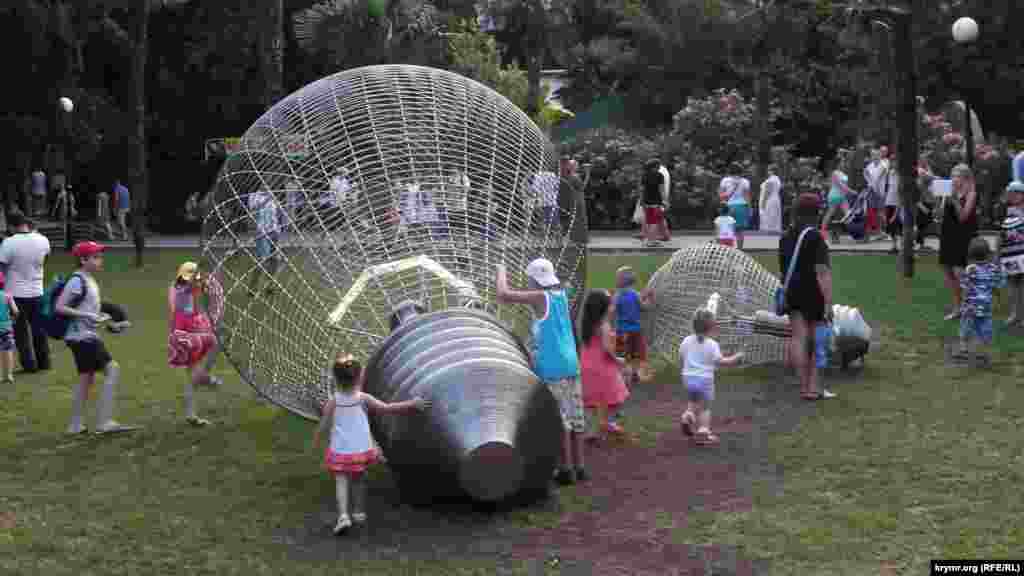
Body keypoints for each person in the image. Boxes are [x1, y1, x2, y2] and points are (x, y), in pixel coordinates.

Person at [312, 353, 428, 535]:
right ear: (359, 378)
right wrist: (411, 404)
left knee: (341, 480)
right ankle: (358, 512)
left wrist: (316, 440)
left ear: (335, 379)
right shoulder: (363, 398)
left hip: (340, 450)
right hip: (360, 449)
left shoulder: (334, 401)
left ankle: (343, 515)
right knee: (358, 479)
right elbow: (387, 408)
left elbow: (324, 424)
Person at [495, 259, 586, 485]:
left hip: (552, 367)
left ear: (534, 280)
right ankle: (580, 467)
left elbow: (503, 294)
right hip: (571, 363)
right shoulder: (561, 296)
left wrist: (501, 271)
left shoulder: (539, 297)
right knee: (576, 417)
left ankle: (564, 470)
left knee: (561, 419)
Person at [59, 241, 138, 436]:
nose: (100, 260)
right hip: (82, 337)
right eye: (95, 257)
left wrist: (111, 323)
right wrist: (89, 317)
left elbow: (89, 310)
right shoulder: (77, 280)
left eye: (100, 256)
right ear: (83, 260)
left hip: (83, 335)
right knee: (113, 369)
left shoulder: (89, 280)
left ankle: (76, 425)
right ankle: (105, 422)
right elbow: (60, 307)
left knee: (86, 379)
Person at [779, 193, 835, 401]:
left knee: (798, 338)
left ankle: (803, 387)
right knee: (817, 341)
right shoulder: (815, 236)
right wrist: (828, 301)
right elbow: (822, 271)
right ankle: (815, 388)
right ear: (816, 213)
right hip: (813, 293)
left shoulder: (785, 237)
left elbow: (784, 270)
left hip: (792, 292)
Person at [168, 262, 224, 427]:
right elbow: (201, 285)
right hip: (187, 333)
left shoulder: (179, 287)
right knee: (215, 344)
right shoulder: (182, 290)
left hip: (186, 331)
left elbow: (209, 284)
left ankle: (191, 413)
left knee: (192, 372)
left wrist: (217, 270)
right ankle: (205, 377)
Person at [678, 308, 744, 446]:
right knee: (705, 407)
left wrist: (685, 370)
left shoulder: (686, 340)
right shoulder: (712, 344)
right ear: (711, 328)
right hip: (704, 380)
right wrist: (736, 358)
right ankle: (704, 431)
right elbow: (721, 361)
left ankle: (687, 417)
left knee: (693, 401)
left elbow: (681, 356)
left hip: (688, 378)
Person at [0, 211, 51, 373]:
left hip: (16, 293)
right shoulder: (43, 240)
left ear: (11, 226)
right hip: (37, 291)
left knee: (21, 333)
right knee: (39, 330)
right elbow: (45, 260)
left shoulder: (9, 243)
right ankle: (44, 362)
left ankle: (30, 365)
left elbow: (2, 266)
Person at [579, 289, 630, 441]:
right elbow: (607, 349)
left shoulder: (585, 325)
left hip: (585, 366)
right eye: (610, 305)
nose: (613, 307)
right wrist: (618, 360)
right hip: (603, 367)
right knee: (618, 395)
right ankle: (609, 422)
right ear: (603, 309)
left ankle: (591, 431)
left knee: (590, 402)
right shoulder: (604, 325)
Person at [956, 238, 1005, 365]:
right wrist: (998, 299)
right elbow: (996, 286)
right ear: (989, 254)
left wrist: (963, 302)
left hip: (970, 307)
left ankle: (963, 350)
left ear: (970, 255)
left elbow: (966, 288)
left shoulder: (970, 269)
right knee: (985, 329)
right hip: (986, 307)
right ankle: (983, 353)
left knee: (966, 327)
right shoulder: (992, 269)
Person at [940, 164, 979, 321]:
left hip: (963, 235)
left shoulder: (971, 193)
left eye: (957, 176)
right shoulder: (947, 192)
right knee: (949, 272)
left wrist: (954, 200)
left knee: (960, 272)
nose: (954, 179)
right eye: (953, 175)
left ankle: (970, 306)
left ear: (966, 178)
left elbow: (963, 217)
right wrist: (940, 199)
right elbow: (938, 214)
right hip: (948, 234)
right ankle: (958, 308)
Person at [613, 266, 654, 385]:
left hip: (622, 331)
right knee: (636, 354)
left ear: (621, 281)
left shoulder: (617, 296)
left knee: (625, 355)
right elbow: (644, 307)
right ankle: (635, 374)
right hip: (636, 331)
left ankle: (626, 377)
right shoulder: (635, 294)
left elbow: (613, 310)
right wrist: (649, 299)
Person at [998, 181, 1024, 325]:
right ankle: (1015, 313)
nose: (1013, 196)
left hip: (1022, 252)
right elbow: (1001, 233)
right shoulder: (1005, 210)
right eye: (1011, 193)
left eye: (1016, 193)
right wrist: (998, 253)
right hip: (1009, 253)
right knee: (1012, 284)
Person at [250, 188, 282, 295]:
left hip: (274, 231)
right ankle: (252, 287)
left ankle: (269, 286)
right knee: (262, 261)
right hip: (262, 232)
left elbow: (276, 212)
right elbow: (253, 211)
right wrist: (267, 199)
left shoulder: (273, 195)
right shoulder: (254, 196)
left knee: (275, 260)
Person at [719, 164, 752, 250]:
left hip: (728, 207)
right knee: (740, 231)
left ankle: (728, 250)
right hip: (741, 206)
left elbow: (721, 195)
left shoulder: (725, 181)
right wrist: (750, 208)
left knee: (727, 230)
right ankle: (740, 251)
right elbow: (747, 197)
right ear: (741, 171)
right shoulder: (745, 181)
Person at [822, 158, 853, 242]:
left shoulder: (843, 173)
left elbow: (844, 185)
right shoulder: (834, 173)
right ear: (838, 164)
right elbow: (840, 185)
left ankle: (854, 232)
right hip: (834, 196)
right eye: (842, 162)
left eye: (844, 162)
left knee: (848, 214)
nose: (843, 163)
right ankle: (823, 232)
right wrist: (851, 191)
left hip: (842, 197)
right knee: (830, 214)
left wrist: (848, 192)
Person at [641, 159, 665, 247]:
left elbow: (642, 189)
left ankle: (649, 240)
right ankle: (652, 241)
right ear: (655, 166)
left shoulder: (644, 175)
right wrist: (664, 201)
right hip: (656, 201)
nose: (659, 166)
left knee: (648, 221)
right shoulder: (659, 176)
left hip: (646, 201)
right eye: (658, 165)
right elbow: (661, 190)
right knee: (654, 222)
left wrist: (641, 201)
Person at [0, 272, 18, 384]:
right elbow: (15, 311)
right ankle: (9, 375)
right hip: (7, 327)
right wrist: (13, 320)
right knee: (8, 351)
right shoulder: (8, 296)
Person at [883, 154, 902, 254]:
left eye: (895, 161)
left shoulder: (901, 174)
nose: (893, 163)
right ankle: (894, 246)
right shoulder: (889, 173)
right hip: (889, 201)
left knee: (899, 225)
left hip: (898, 203)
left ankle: (903, 246)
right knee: (890, 225)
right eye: (892, 161)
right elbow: (887, 188)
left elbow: (901, 190)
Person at [759, 166, 783, 233]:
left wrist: (763, 204)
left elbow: (767, 192)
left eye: (769, 170)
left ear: (772, 171)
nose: (767, 172)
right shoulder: (777, 179)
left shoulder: (771, 180)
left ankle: (768, 234)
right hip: (776, 200)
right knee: (774, 218)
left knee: (768, 218)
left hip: (769, 201)